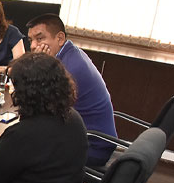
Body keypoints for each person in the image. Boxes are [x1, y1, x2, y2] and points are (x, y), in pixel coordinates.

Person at [0, 53, 88, 183]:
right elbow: (41, 152)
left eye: (15, 85)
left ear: (28, 92)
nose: (12, 90)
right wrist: (2, 141)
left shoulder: (23, 134)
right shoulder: (72, 117)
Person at [26, 13, 117, 166]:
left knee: (24, 147)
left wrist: (38, 66)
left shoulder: (69, 68)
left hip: (92, 146)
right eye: (31, 40)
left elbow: (38, 106)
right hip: (88, 136)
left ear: (60, 38)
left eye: (40, 38)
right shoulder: (70, 53)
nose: (34, 45)